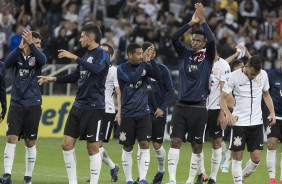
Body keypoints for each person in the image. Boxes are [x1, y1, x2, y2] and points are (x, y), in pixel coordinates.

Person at [38, 23, 110, 184]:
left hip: (94, 107)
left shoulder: (103, 54)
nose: (80, 39)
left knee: (92, 148)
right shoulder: (84, 55)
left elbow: (97, 70)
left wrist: (74, 57)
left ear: (91, 38)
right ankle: (73, 182)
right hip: (78, 105)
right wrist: (53, 79)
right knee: (66, 144)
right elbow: (76, 76)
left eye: (82, 36)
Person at [167, 3, 215, 184]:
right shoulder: (184, 54)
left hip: (199, 107)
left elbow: (212, 41)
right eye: (193, 39)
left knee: (197, 145)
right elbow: (173, 37)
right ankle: (172, 179)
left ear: (203, 45)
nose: (194, 42)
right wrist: (190, 23)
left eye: (197, 41)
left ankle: (189, 180)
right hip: (181, 105)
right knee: (175, 141)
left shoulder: (208, 57)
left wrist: (203, 22)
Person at [220, 55, 276, 184]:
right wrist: (227, 114)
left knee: (256, 159)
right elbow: (222, 98)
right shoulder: (233, 76)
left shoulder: (263, 75)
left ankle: (241, 177)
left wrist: (272, 112)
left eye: (256, 74)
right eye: (252, 74)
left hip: (256, 123)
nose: (254, 76)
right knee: (237, 158)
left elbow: (266, 95)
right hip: (239, 123)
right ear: (247, 66)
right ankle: (238, 182)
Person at [0, 30, 47, 184]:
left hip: (33, 104)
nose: (39, 46)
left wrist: (32, 44)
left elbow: (43, 60)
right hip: (16, 104)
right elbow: (6, 64)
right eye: (36, 42)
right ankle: (7, 174)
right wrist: (21, 47)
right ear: (27, 41)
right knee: (11, 138)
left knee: (29, 142)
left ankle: (28, 177)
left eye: (39, 43)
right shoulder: (18, 54)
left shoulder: (39, 57)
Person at [117, 42, 161, 184]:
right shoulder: (122, 68)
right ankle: (129, 179)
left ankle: (142, 179)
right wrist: (145, 63)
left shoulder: (145, 65)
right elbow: (132, 79)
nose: (141, 56)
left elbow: (158, 76)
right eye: (139, 54)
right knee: (128, 146)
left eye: (142, 53)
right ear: (130, 55)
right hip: (127, 114)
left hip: (143, 113)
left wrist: (151, 60)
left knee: (144, 144)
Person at [135, 42, 175, 184]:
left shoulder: (162, 69)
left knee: (157, 145)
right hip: (141, 112)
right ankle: (142, 176)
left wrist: (163, 107)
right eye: (147, 50)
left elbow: (171, 92)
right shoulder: (138, 68)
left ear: (155, 54)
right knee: (143, 143)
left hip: (157, 112)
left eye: (152, 50)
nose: (149, 52)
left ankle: (161, 169)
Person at [86, 43, 120, 183]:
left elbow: (118, 92)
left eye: (105, 52)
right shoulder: (97, 69)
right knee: (92, 145)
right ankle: (113, 167)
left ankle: (95, 176)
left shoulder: (114, 71)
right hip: (94, 108)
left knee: (97, 145)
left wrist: (120, 112)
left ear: (110, 56)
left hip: (107, 110)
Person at [196, 51, 231, 184]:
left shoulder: (223, 65)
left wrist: (222, 112)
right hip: (199, 107)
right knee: (197, 142)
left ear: (214, 49)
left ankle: (213, 178)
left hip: (216, 109)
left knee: (216, 143)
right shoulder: (200, 61)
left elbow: (224, 90)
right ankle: (202, 173)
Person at [266, 52, 282, 184]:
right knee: (271, 144)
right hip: (275, 116)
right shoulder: (271, 75)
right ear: (280, 60)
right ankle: (272, 178)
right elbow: (265, 93)